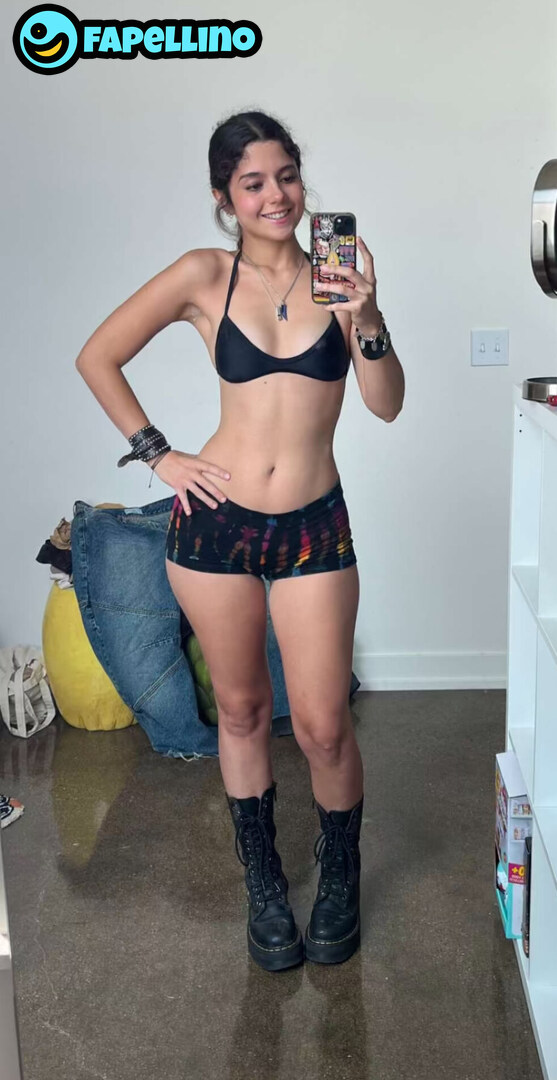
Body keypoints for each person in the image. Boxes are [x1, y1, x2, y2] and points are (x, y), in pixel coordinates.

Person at [75, 109, 404, 972]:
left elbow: (385, 403)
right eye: (253, 183)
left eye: (286, 175)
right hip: (215, 529)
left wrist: (366, 313)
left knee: (323, 725)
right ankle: (264, 888)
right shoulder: (204, 275)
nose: (275, 195)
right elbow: (98, 355)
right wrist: (161, 455)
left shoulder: (338, 274)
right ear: (224, 196)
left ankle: (338, 880)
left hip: (313, 526)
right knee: (244, 710)